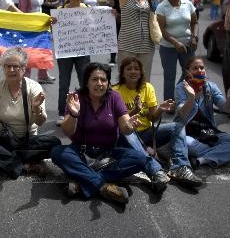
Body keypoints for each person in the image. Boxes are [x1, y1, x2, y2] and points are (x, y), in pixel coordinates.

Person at [51, 62, 154, 205]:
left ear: (108, 83)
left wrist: (129, 126)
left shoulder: (114, 97)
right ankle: (103, 186)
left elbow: (125, 126)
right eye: (94, 79)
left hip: (108, 154)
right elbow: (67, 131)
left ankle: (83, 182)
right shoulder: (76, 98)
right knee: (57, 152)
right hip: (81, 152)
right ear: (86, 82)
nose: (99, 83)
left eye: (103, 80)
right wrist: (74, 114)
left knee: (140, 159)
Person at [113, 57, 203, 189]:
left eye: (136, 69)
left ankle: (180, 167)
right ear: (122, 72)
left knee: (177, 127)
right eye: (129, 69)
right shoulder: (115, 91)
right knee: (129, 133)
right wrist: (134, 110)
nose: (133, 71)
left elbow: (152, 119)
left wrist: (160, 110)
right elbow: (115, 123)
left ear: (141, 72)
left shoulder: (147, 88)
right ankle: (156, 171)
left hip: (147, 134)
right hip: (127, 134)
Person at [0, 47, 60, 179]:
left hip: (28, 140)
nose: (11, 70)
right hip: (1, 139)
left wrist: (36, 109)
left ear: (24, 68)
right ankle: (23, 165)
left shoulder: (34, 87)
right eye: (7, 66)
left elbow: (40, 122)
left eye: (16, 66)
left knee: (54, 143)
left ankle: (1, 161)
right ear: (3, 68)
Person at [176, 57, 230, 168]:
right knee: (189, 145)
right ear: (188, 72)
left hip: (208, 132)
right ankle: (225, 152)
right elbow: (182, 113)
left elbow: (226, 108)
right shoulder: (181, 88)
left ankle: (202, 160)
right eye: (195, 68)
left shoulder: (210, 87)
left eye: (201, 68)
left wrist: (229, 98)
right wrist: (192, 97)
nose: (199, 70)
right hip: (188, 132)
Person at [51, 0, 91, 126]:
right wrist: (51, 24)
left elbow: (98, 24)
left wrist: (110, 13)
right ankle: (62, 113)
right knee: (64, 83)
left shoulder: (88, 9)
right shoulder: (60, 12)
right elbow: (52, 32)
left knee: (85, 82)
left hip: (83, 52)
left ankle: (86, 111)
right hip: (65, 53)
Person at [156, 0, 198, 101]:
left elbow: (195, 22)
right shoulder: (162, 7)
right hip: (168, 47)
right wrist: (176, 43)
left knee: (190, 73)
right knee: (170, 76)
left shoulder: (188, 4)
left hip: (188, 45)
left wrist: (194, 37)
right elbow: (161, 29)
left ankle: (180, 96)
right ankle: (169, 103)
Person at [18, 0, 55, 84]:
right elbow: (22, 9)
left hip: (40, 26)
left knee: (42, 50)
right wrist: (24, 26)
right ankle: (25, 78)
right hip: (30, 27)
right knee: (28, 52)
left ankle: (43, 75)